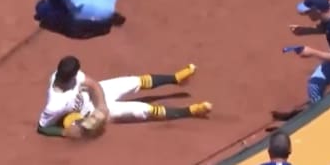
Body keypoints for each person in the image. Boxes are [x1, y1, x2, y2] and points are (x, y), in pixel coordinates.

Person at [37, 56, 212, 138]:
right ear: (68, 76)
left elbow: (93, 84)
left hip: (98, 98)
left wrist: (102, 104)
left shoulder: (64, 74)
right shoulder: (55, 105)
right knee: (145, 110)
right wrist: (65, 132)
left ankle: (175, 79)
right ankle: (191, 111)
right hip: (91, 113)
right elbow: (43, 127)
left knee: (134, 81)